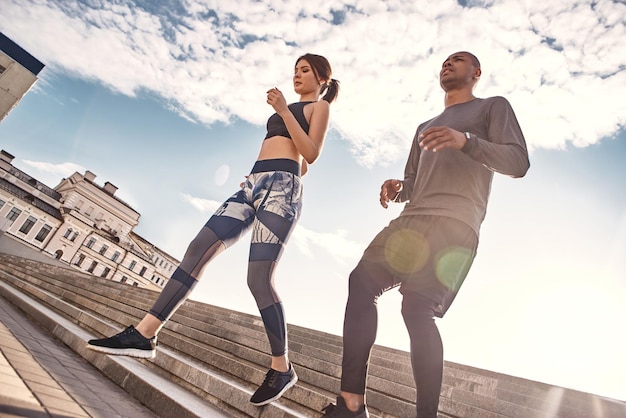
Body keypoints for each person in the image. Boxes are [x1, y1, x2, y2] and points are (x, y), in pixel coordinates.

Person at [87, 53, 340, 406]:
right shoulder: (286, 111)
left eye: (305, 71)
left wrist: (284, 111)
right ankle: (145, 334)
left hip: (282, 192)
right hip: (253, 185)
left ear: (322, 80)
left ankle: (281, 368)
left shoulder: (318, 108)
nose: (297, 75)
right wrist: (263, 171)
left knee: (258, 278)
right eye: (295, 70)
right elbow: (295, 156)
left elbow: (310, 153)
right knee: (198, 247)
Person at [321, 51, 529, 418]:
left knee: (416, 309)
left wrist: (466, 140)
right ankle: (351, 403)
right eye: (445, 60)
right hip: (411, 221)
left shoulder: (493, 107)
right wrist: (398, 188)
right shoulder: (425, 126)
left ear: (476, 73)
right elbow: (415, 183)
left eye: (459, 60)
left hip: (455, 224)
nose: (448, 63)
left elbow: (518, 163)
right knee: (361, 281)